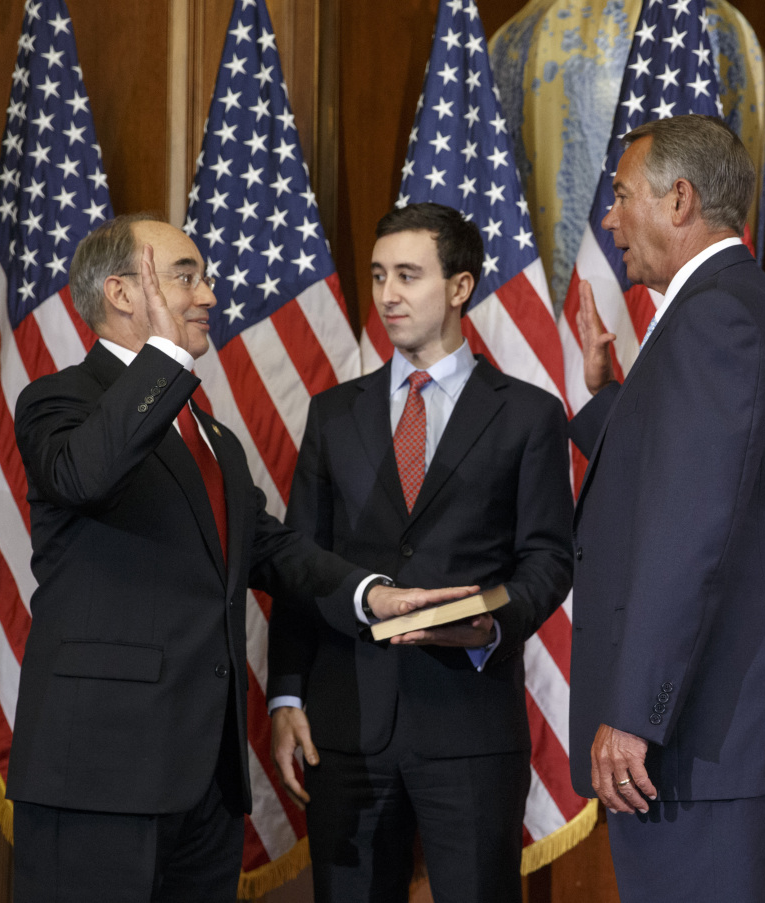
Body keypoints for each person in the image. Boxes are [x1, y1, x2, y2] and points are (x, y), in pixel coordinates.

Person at [8, 213, 472, 903]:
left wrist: (368, 593)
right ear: (123, 294)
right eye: (184, 277)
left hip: (206, 780)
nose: (208, 296)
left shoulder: (210, 430)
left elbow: (269, 546)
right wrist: (165, 358)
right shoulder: (58, 400)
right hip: (101, 773)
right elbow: (85, 473)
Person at [569, 115, 765, 902]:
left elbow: (692, 536)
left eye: (621, 197)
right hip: (709, 740)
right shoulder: (722, 308)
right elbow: (693, 477)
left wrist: (635, 713)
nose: (611, 218)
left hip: (700, 739)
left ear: (679, 199)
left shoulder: (715, 317)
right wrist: (606, 401)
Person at [267, 202, 574, 903]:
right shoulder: (333, 413)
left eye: (408, 275)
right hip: (345, 733)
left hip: (467, 726)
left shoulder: (528, 414)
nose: (387, 295)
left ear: (460, 287)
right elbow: (297, 562)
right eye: (378, 276)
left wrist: (490, 623)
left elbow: (549, 559)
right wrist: (286, 691)